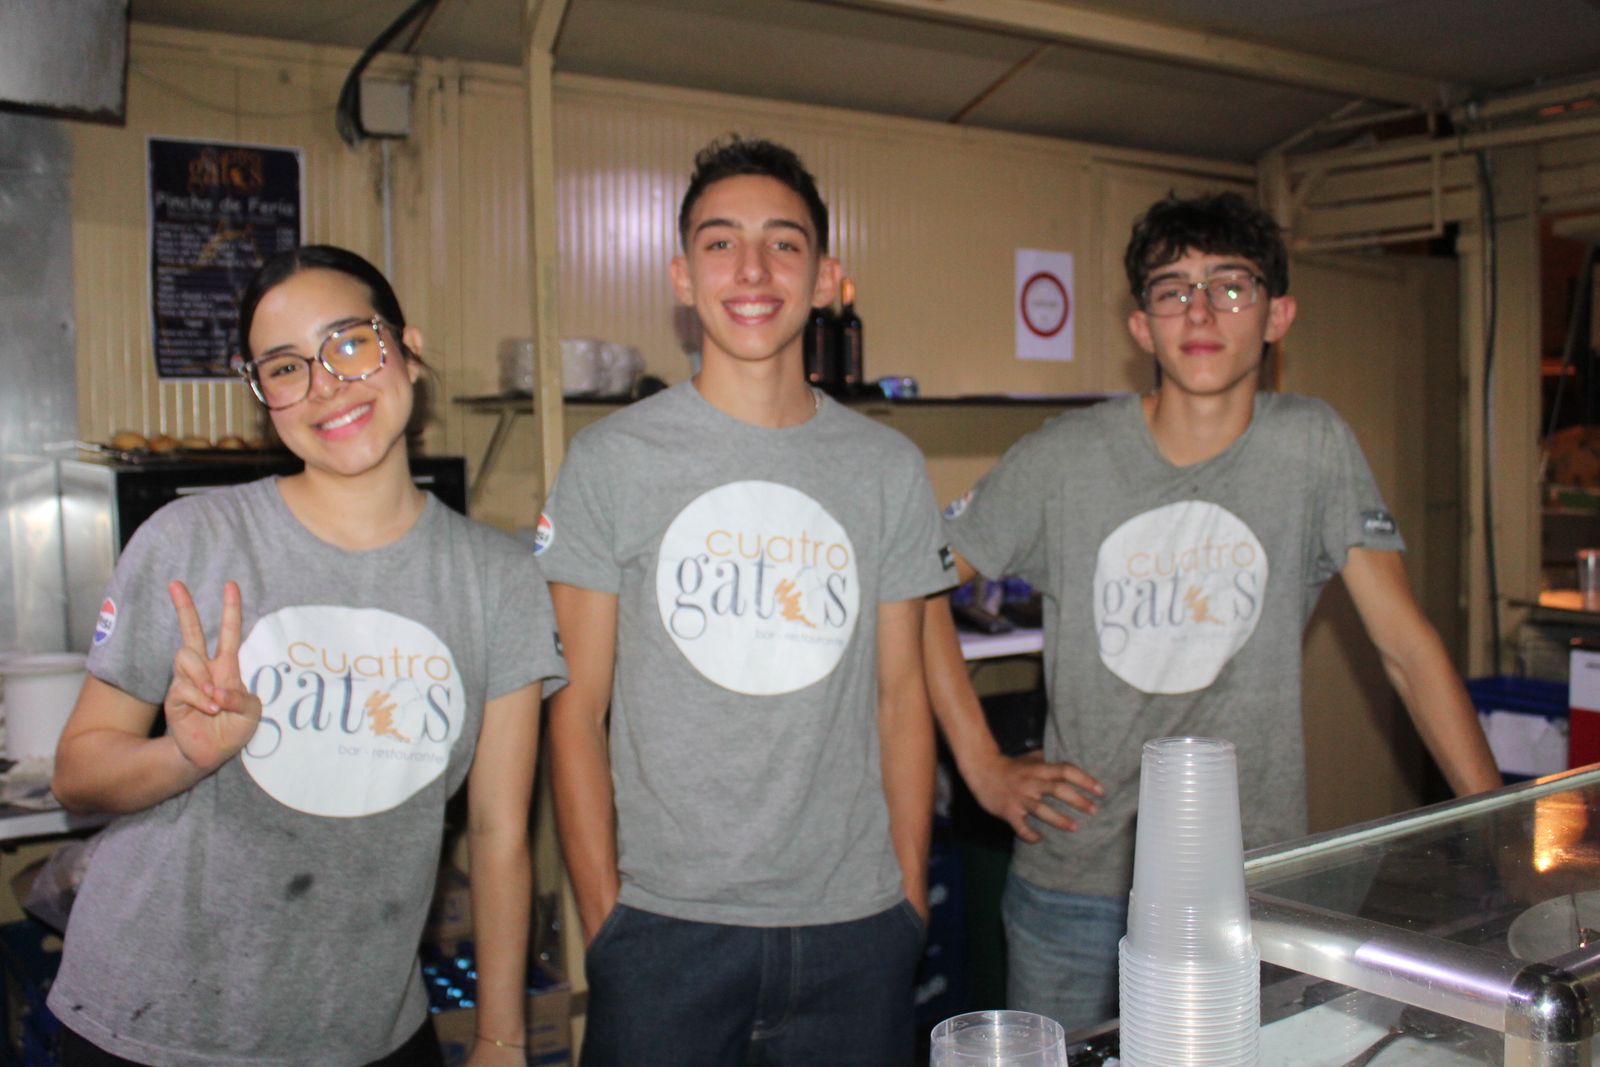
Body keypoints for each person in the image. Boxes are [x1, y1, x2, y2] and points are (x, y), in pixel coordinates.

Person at [924, 191, 1502, 1031]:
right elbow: (917, 579)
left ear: (1278, 315)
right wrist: (980, 766)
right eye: (1174, 289)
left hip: (1249, 880)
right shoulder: (1063, 457)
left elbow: (1407, 649)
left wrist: (1497, 833)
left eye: (1230, 286)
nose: (1200, 311)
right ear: (1141, 325)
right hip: (1078, 881)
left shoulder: (1312, 445)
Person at [48, 245, 566, 1067]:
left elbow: (501, 831)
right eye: (286, 367)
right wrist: (183, 754)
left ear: (408, 349)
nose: (326, 383)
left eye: (351, 342)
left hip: (364, 1027)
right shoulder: (192, 539)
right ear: (265, 397)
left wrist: (501, 1038)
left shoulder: (497, 580)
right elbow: (77, 771)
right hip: (151, 1024)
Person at [537, 136, 955, 1066]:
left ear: (826, 278)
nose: (753, 269)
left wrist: (906, 902)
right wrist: (609, 923)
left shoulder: (886, 469)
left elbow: (902, 701)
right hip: (664, 936)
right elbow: (576, 709)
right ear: (682, 276)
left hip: (855, 931)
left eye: (784, 243)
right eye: (721, 242)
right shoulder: (610, 462)